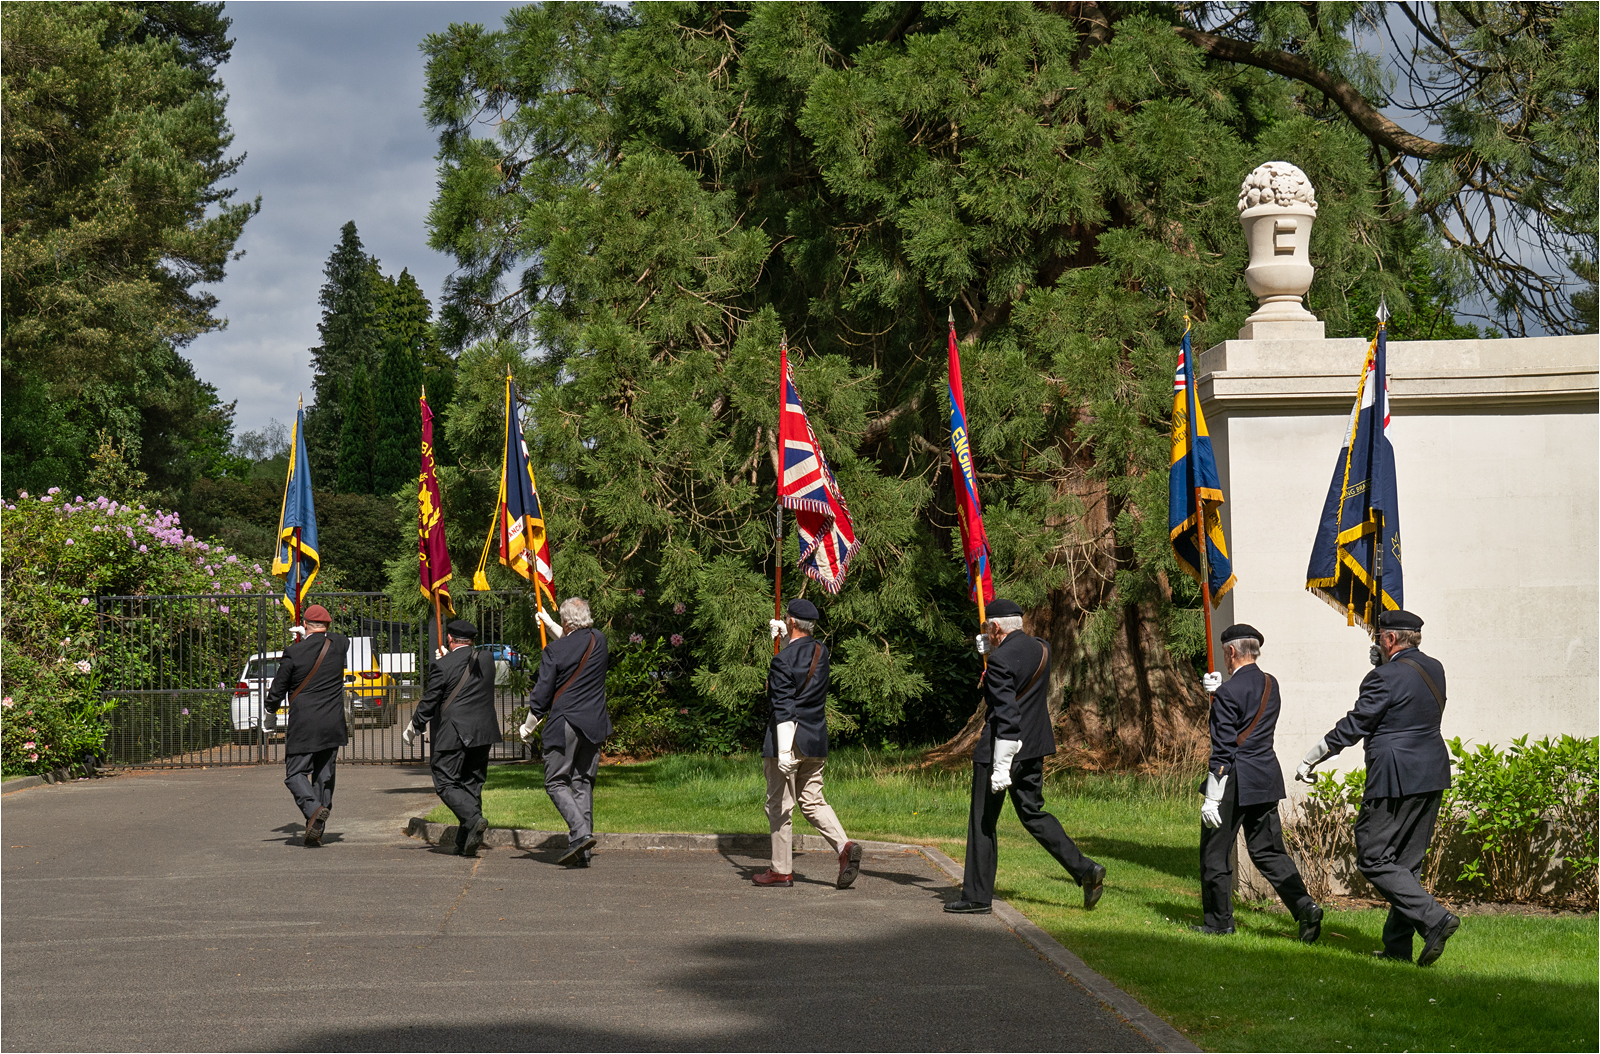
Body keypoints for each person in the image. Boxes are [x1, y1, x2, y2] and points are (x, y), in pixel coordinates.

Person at [1298, 609, 1458, 966]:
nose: (1377, 643)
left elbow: (1359, 722)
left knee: (1373, 857)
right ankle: (1398, 948)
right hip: (1431, 771)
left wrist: (1315, 754)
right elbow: (1404, 704)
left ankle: (1435, 919)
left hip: (1394, 775)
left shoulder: (1384, 677)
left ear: (1389, 640)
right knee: (1407, 864)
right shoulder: (1435, 668)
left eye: (1379, 638)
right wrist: (1382, 668)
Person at [946, 599, 1105, 915]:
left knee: (983, 821)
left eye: (988, 630)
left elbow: (1007, 713)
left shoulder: (1000, 661)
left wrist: (1001, 765)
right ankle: (1085, 869)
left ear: (995, 628)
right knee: (1034, 814)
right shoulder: (1042, 648)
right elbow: (1020, 678)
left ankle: (977, 896)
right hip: (1035, 746)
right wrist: (990, 657)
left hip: (1002, 750)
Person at [1195, 624, 1322, 939]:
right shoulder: (1271, 683)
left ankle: (1219, 923)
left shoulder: (1228, 693)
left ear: (1232, 651)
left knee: (1214, 852)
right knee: (1268, 851)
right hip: (1265, 774)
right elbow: (1247, 700)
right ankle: (1305, 906)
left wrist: (1212, 796)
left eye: (1225, 653)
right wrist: (1220, 693)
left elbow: (1223, 751)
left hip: (1234, 779)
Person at [750, 599, 863, 889]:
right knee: (813, 802)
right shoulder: (821, 651)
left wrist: (785, 750)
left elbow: (785, 706)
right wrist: (787, 637)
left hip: (788, 742)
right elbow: (802, 665)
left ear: (791, 622)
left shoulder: (782, 661)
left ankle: (781, 870)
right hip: (815, 739)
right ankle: (844, 846)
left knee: (780, 807)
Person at [519, 597, 612, 867]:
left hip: (566, 723)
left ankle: (580, 834)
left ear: (566, 622)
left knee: (556, 782)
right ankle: (582, 850)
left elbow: (542, 693)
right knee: (582, 783)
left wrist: (529, 723)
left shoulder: (553, 651)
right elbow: (575, 644)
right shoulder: (599, 639)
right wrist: (550, 624)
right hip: (594, 724)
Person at [404, 619, 500, 857]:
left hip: (455, 732)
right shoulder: (487, 659)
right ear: (472, 640)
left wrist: (415, 725)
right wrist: (449, 658)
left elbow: (430, 700)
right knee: (472, 784)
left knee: (445, 781)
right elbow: (466, 667)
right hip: (483, 731)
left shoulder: (443, 665)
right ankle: (466, 841)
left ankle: (473, 818)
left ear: (449, 638)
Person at [263, 604, 349, 847]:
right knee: (324, 776)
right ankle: (317, 829)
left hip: (305, 723)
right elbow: (334, 636)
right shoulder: (340, 644)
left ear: (304, 624)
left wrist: (270, 711)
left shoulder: (294, 652)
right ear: (328, 625)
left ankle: (314, 810)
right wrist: (313, 634)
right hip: (333, 723)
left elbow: (279, 687)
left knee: (295, 773)